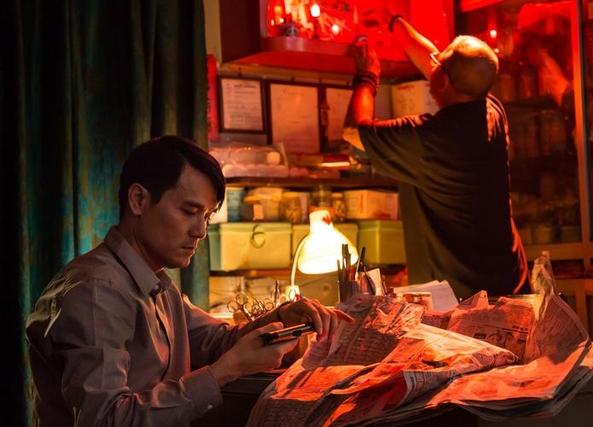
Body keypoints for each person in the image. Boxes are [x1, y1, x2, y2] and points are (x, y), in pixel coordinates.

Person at [26, 135, 354, 427]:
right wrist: (225, 371)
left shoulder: (155, 283)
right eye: (189, 211)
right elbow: (106, 419)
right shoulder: (98, 290)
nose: (200, 231)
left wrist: (282, 318)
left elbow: (217, 341)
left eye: (207, 216)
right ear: (138, 200)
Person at [342, 16, 529, 298]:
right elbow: (440, 64)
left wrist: (367, 75)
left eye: (438, 64)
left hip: (463, 302)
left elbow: (354, 131)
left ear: (443, 80)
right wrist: (394, 21)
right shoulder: (491, 111)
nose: (432, 63)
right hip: (510, 286)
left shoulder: (430, 139)